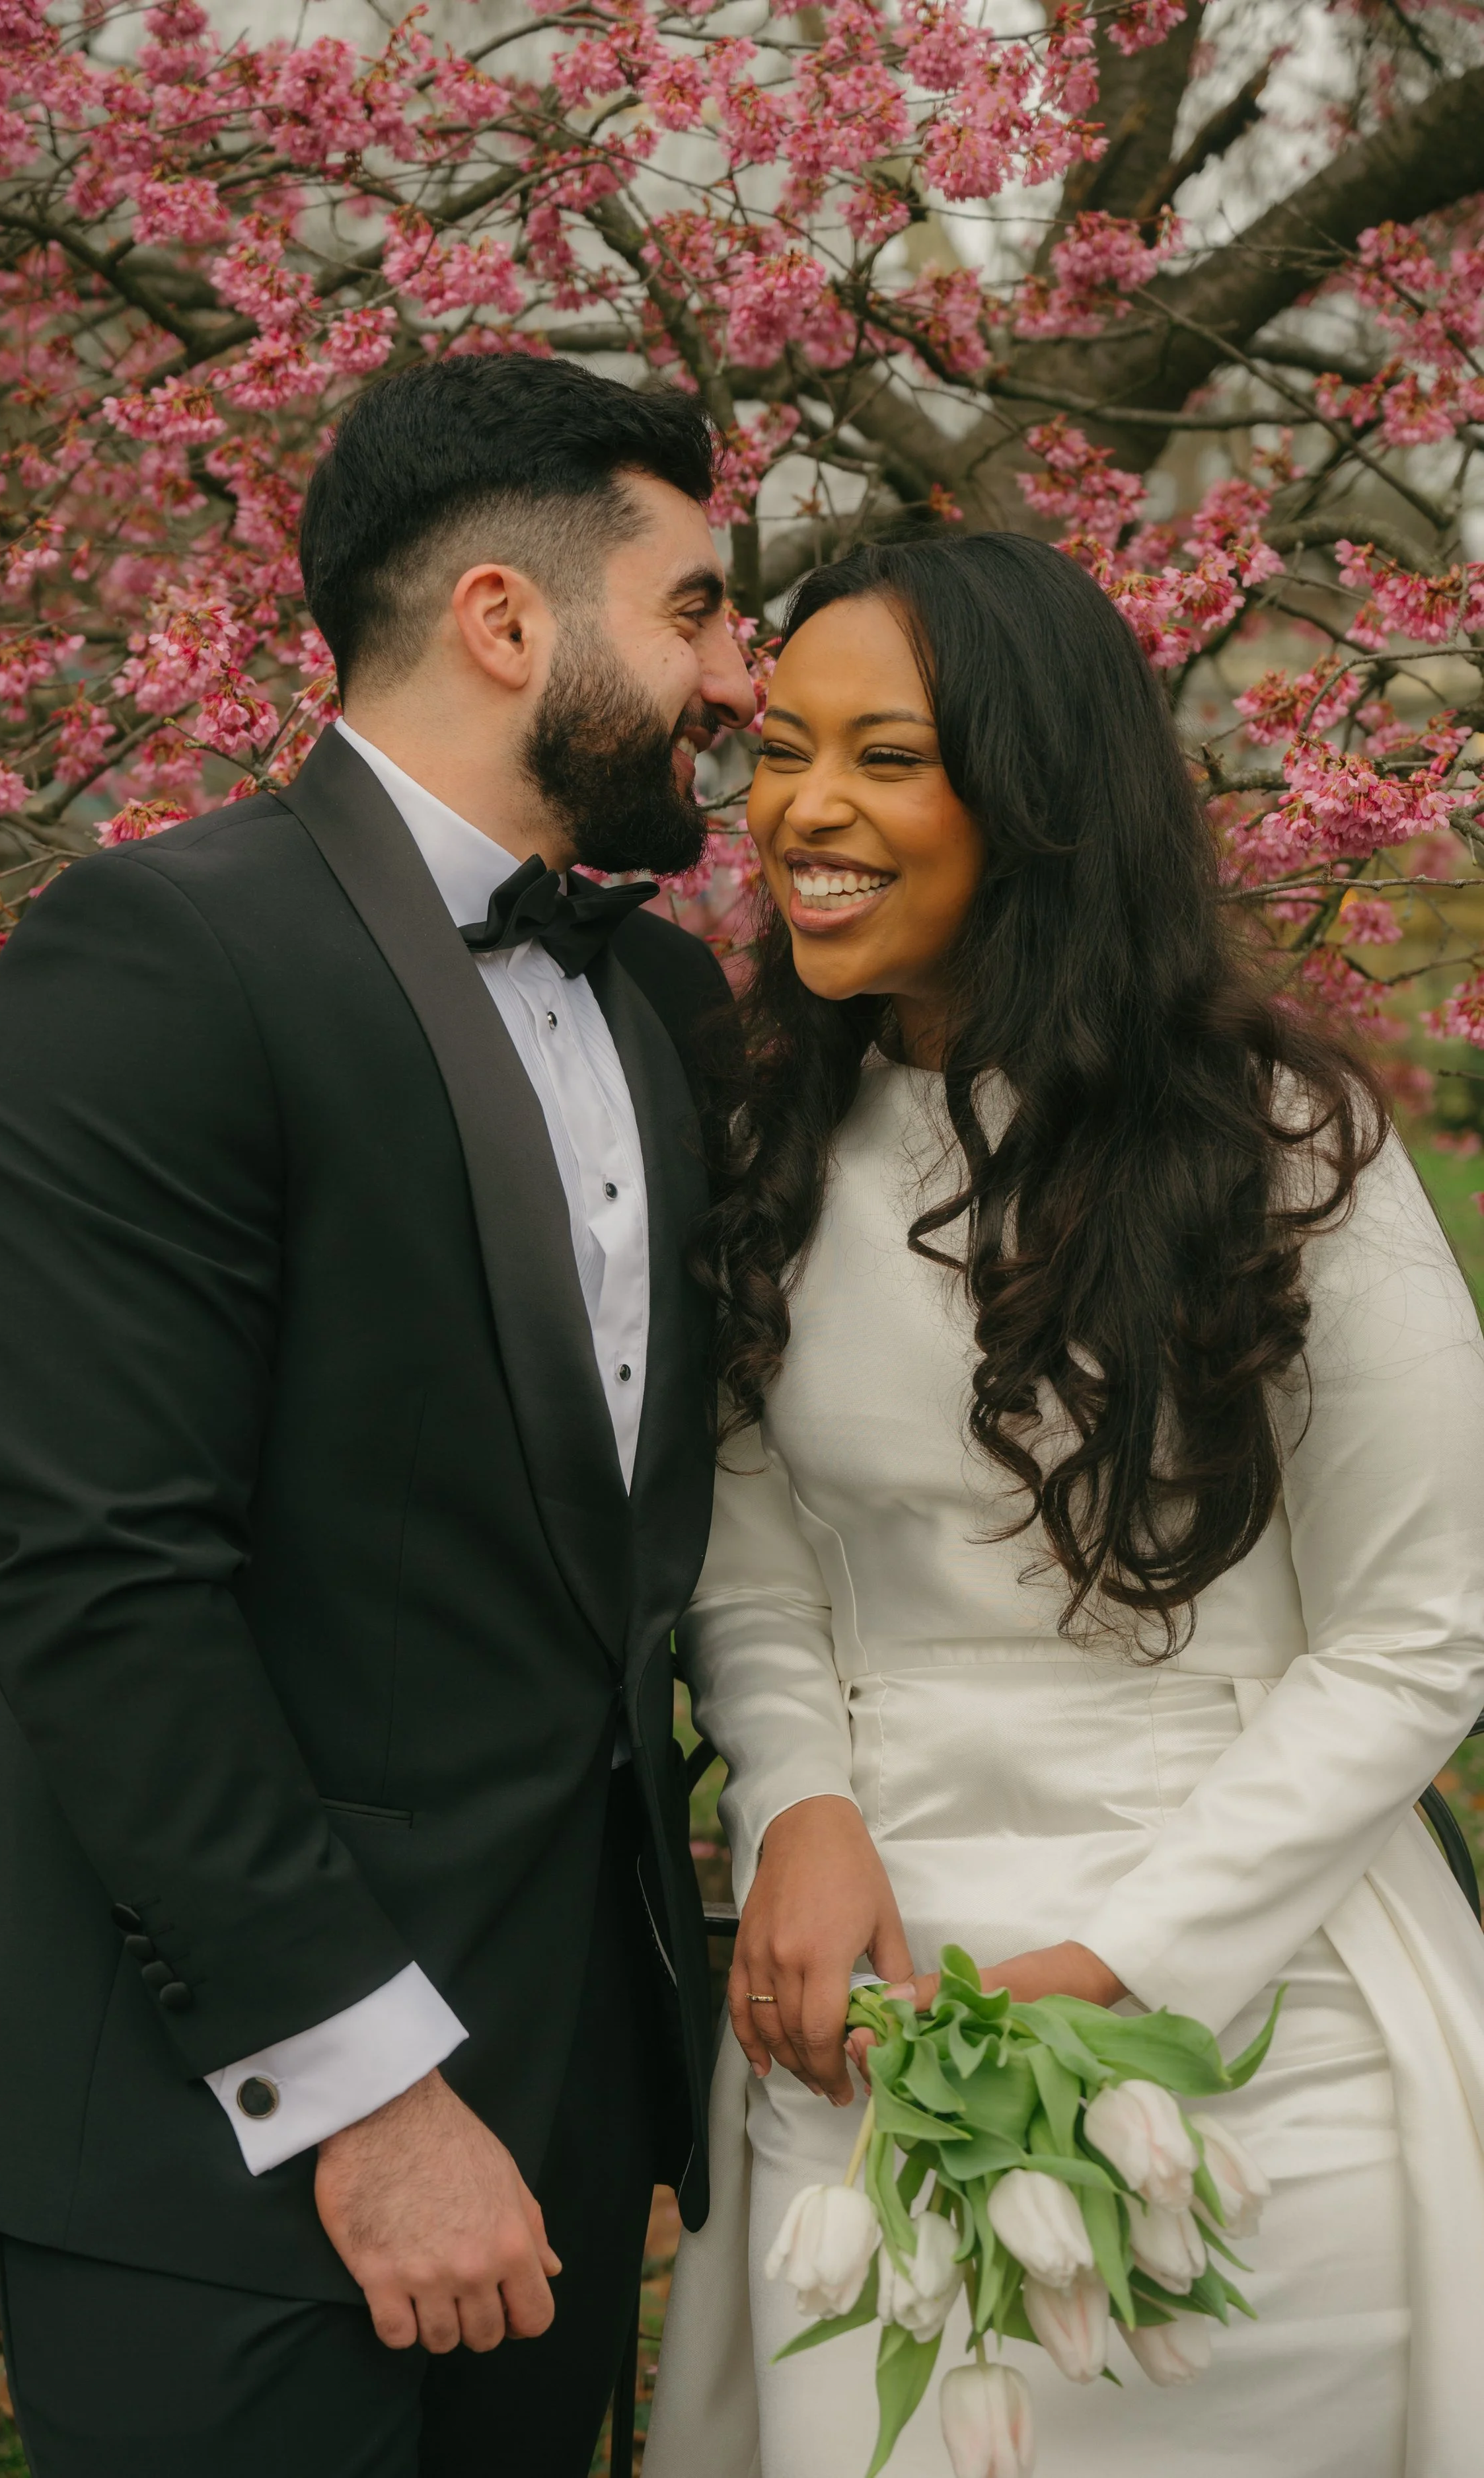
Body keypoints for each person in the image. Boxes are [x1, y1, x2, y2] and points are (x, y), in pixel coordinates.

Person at [0, 354, 757, 2477]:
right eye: (703, 606)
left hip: (558, 2097)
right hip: (232, 2136)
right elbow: (109, 1582)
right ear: (506, 622)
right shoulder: (159, 953)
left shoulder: (663, 999)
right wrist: (364, 2098)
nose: (741, 671)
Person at [644, 533, 1484, 2478]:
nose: (806, 810)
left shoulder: (1275, 1147)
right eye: (778, 747)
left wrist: (1126, 1963)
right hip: (864, 2021)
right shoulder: (767, 1137)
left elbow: (1421, 1621)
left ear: (1030, 803)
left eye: (886, 756)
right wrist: (796, 1807)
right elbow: (758, 1576)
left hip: (1251, 2029)